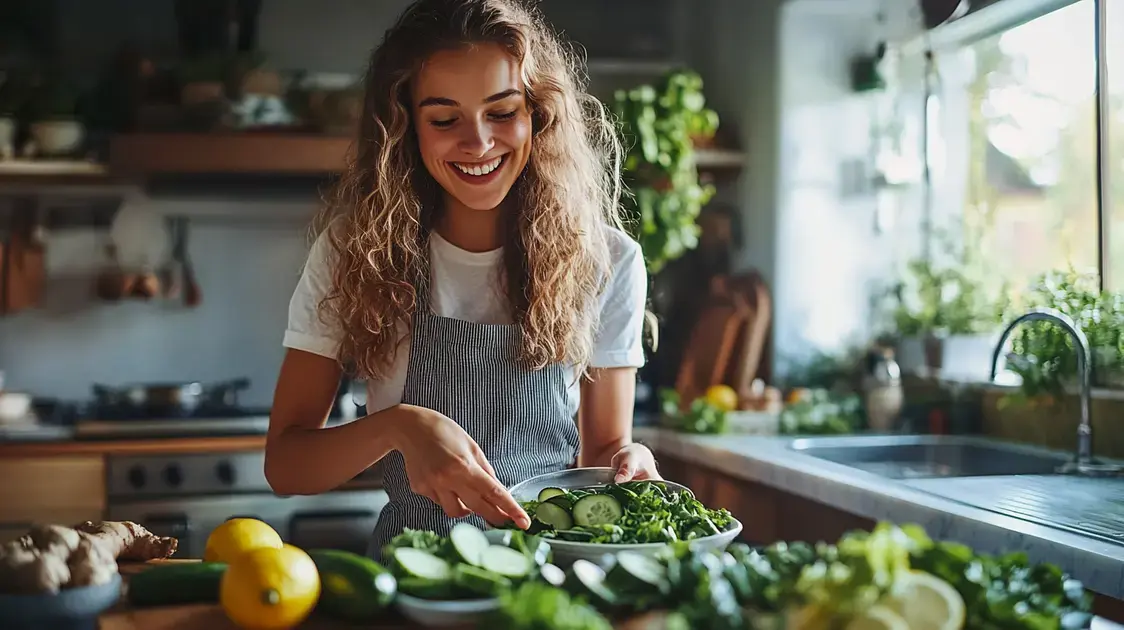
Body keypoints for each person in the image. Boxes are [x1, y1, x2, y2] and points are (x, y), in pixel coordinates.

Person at [265, 0, 658, 559]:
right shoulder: (355, 252)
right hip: (411, 581)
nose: (478, 142)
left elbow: (603, 457)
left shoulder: (606, 260)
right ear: (405, 127)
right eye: (445, 119)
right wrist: (398, 427)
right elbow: (285, 466)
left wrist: (630, 461)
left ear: (538, 113)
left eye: (502, 112)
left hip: (551, 579)